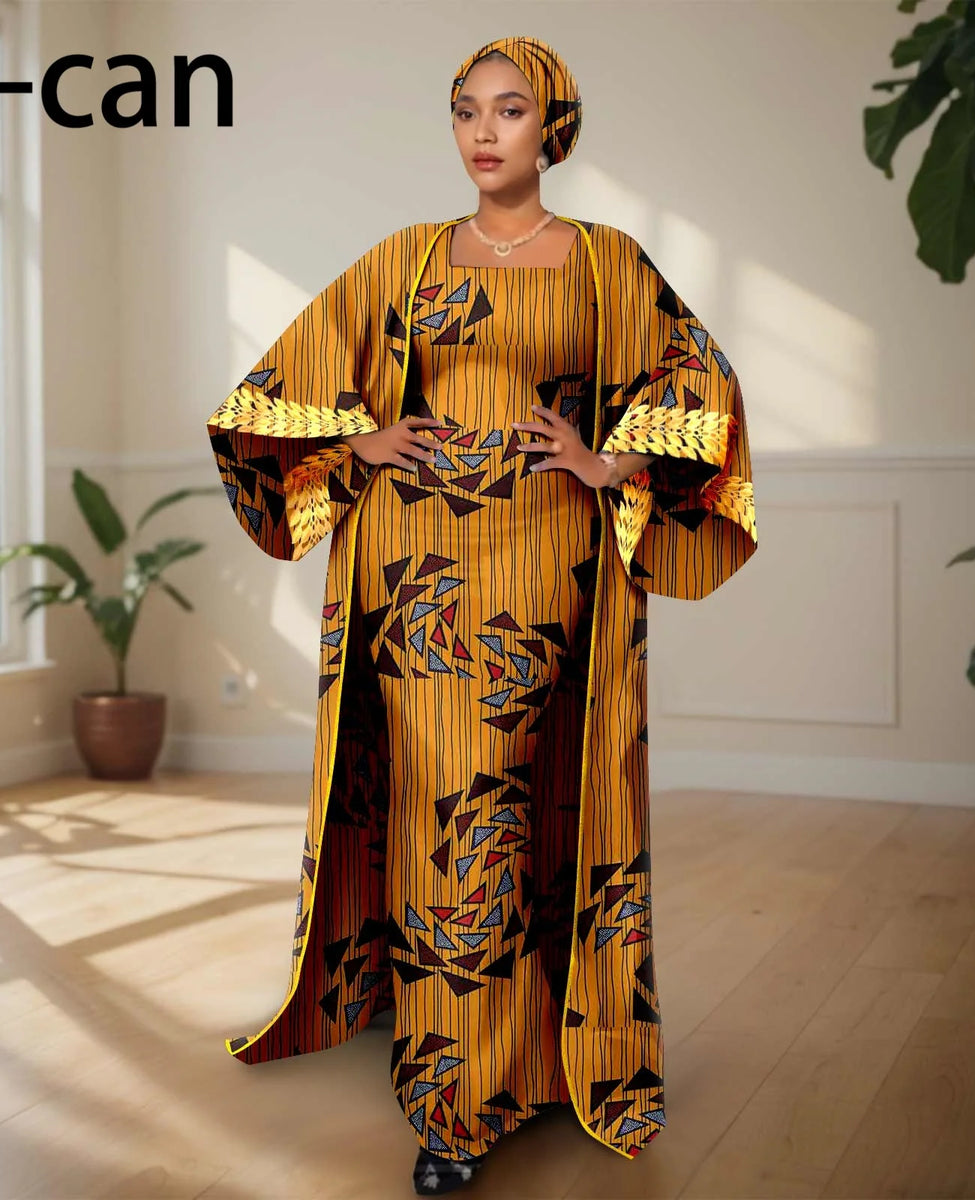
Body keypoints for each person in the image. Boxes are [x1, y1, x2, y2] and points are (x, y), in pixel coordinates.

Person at [205, 34, 758, 1196]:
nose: (483, 131)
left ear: (551, 125)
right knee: (441, 808)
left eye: (509, 110)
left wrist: (611, 466)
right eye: (465, 110)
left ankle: (541, 1057)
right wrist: (357, 439)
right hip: (414, 566)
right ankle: (455, 1100)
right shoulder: (405, 259)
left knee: (519, 800)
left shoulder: (607, 263)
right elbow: (271, 388)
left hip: (550, 565)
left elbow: (698, 382)